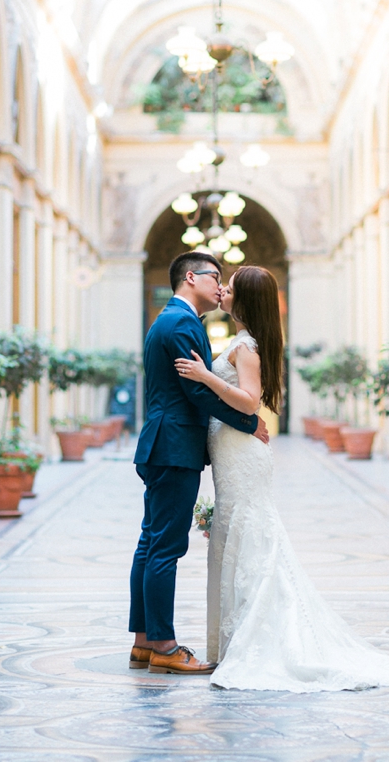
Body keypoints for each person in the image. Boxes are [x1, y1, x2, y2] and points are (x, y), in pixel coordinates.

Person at [175, 264, 389, 692]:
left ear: (244, 300)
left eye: (231, 287)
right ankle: (238, 638)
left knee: (251, 536)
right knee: (239, 534)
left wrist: (206, 376)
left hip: (241, 453)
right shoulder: (244, 341)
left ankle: (259, 641)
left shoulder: (245, 346)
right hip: (233, 454)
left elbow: (248, 403)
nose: (223, 290)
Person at [129, 250, 270, 676]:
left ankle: (143, 642)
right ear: (192, 277)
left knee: (150, 544)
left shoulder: (170, 319)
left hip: (164, 445)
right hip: (173, 447)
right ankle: (165, 647)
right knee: (166, 547)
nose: (220, 286)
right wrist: (248, 421)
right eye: (215, 277)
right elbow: (197, 392)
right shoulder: (182, 321)